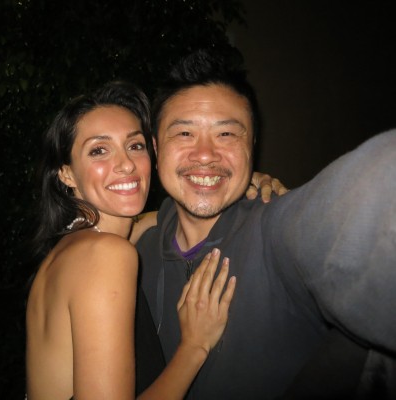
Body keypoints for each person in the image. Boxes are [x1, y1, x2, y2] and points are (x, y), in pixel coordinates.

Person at [137, 48, 396, 399]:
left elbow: (371, 199)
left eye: (227, 135)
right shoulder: (136, 253)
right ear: (155, 148)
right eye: (184, 133)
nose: (205, 154)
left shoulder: (274, 230)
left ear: (251, 146)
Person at [26, 80, 283, 399]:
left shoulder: (69, 250)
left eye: (135, 146)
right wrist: (195, 346)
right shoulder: (106, 254)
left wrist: (226, 182)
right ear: (66, 173)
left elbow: (157, 219)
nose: (126, 164)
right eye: (99, 150)